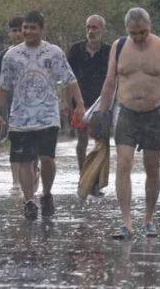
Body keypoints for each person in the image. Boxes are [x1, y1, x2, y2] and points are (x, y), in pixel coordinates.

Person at [96, 7, 160, 239]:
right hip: (126, 113)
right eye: (134, 33)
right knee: (123, 164)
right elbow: (109, 82)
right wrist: (102, 113)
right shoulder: (119, 46)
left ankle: (148, 219)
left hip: (154, 113)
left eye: (143, 32)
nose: (138, 38)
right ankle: (126, 222)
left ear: (150, 27)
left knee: (152, 167)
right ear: (127, 30)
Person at [0, 11, 85, 219]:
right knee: (24, 160)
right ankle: (29, 200)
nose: (28, 31)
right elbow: (2, 86)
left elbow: (69, 79)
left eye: (33, 28)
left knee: (47, 158)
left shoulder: (54, 53)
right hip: (20, 117)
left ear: (42, 30)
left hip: (47, 115)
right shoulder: (11, 56)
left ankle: (47, 192)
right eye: (25, 27)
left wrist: (79, 104)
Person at [0, 16, 40, 194]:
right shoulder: (5, 55)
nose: (16, 34)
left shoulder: (38, 52)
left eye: (18, 30)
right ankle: (15, 181)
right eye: (12, 30)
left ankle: (33, 170)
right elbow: (0, 83)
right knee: (15, 142)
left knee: (34, 142)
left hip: (35, 105)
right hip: (14, 105)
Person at [67, 15, 111, 196]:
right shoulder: (76, 50)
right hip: (79, 102)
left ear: (102, 30)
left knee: (101, 142)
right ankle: (83, 177)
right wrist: (66, 102)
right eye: (88, 27)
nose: (91, 31)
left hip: (102, 103)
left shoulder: (109, 51)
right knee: (82, 140)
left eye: (95, 28)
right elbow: (67, 77)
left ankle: (96, 181)